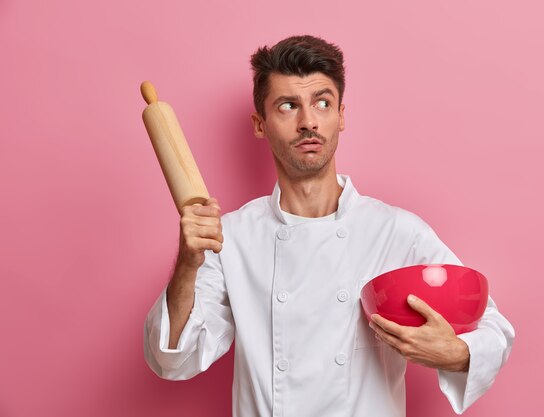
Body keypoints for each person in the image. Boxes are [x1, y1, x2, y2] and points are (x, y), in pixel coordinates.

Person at [144, 35, 515, 416]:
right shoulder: (231, 238)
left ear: (341, 115)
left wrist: (455, 353)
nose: (308, 122)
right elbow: (173, 358)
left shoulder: (396, 232)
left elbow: (493, 327)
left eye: (322, 103)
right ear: (260, 124)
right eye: (288, 106)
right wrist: (189, 263)